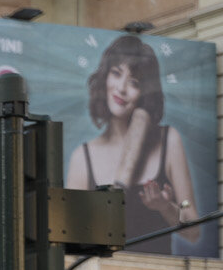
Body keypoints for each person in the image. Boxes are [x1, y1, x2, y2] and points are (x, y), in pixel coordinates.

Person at [67, 35, 197, 255]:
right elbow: (71, 240)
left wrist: (165, 207)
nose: (121, 88)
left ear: (145, 93)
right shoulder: (83, 157)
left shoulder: (168, 141)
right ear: (105, 76)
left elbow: (193, 230)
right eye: (116, 73)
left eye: (134, 83)